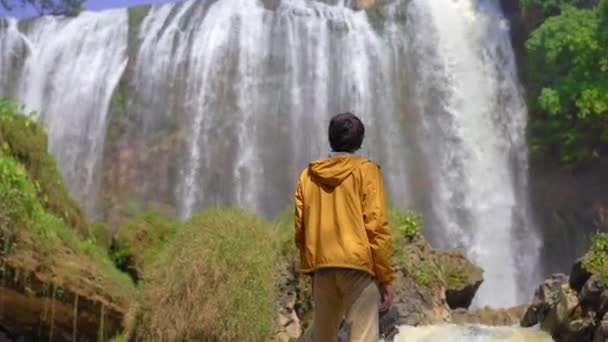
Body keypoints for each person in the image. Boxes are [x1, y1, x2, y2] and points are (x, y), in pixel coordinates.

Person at [294, 112, 395, 342]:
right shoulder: (366, 171)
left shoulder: (307, 176)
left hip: (322, 269)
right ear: (360, 141)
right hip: (357, 268)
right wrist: (385, 278)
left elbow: (300, 229)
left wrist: (312, 268)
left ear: (330, 139)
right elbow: (376, 227)